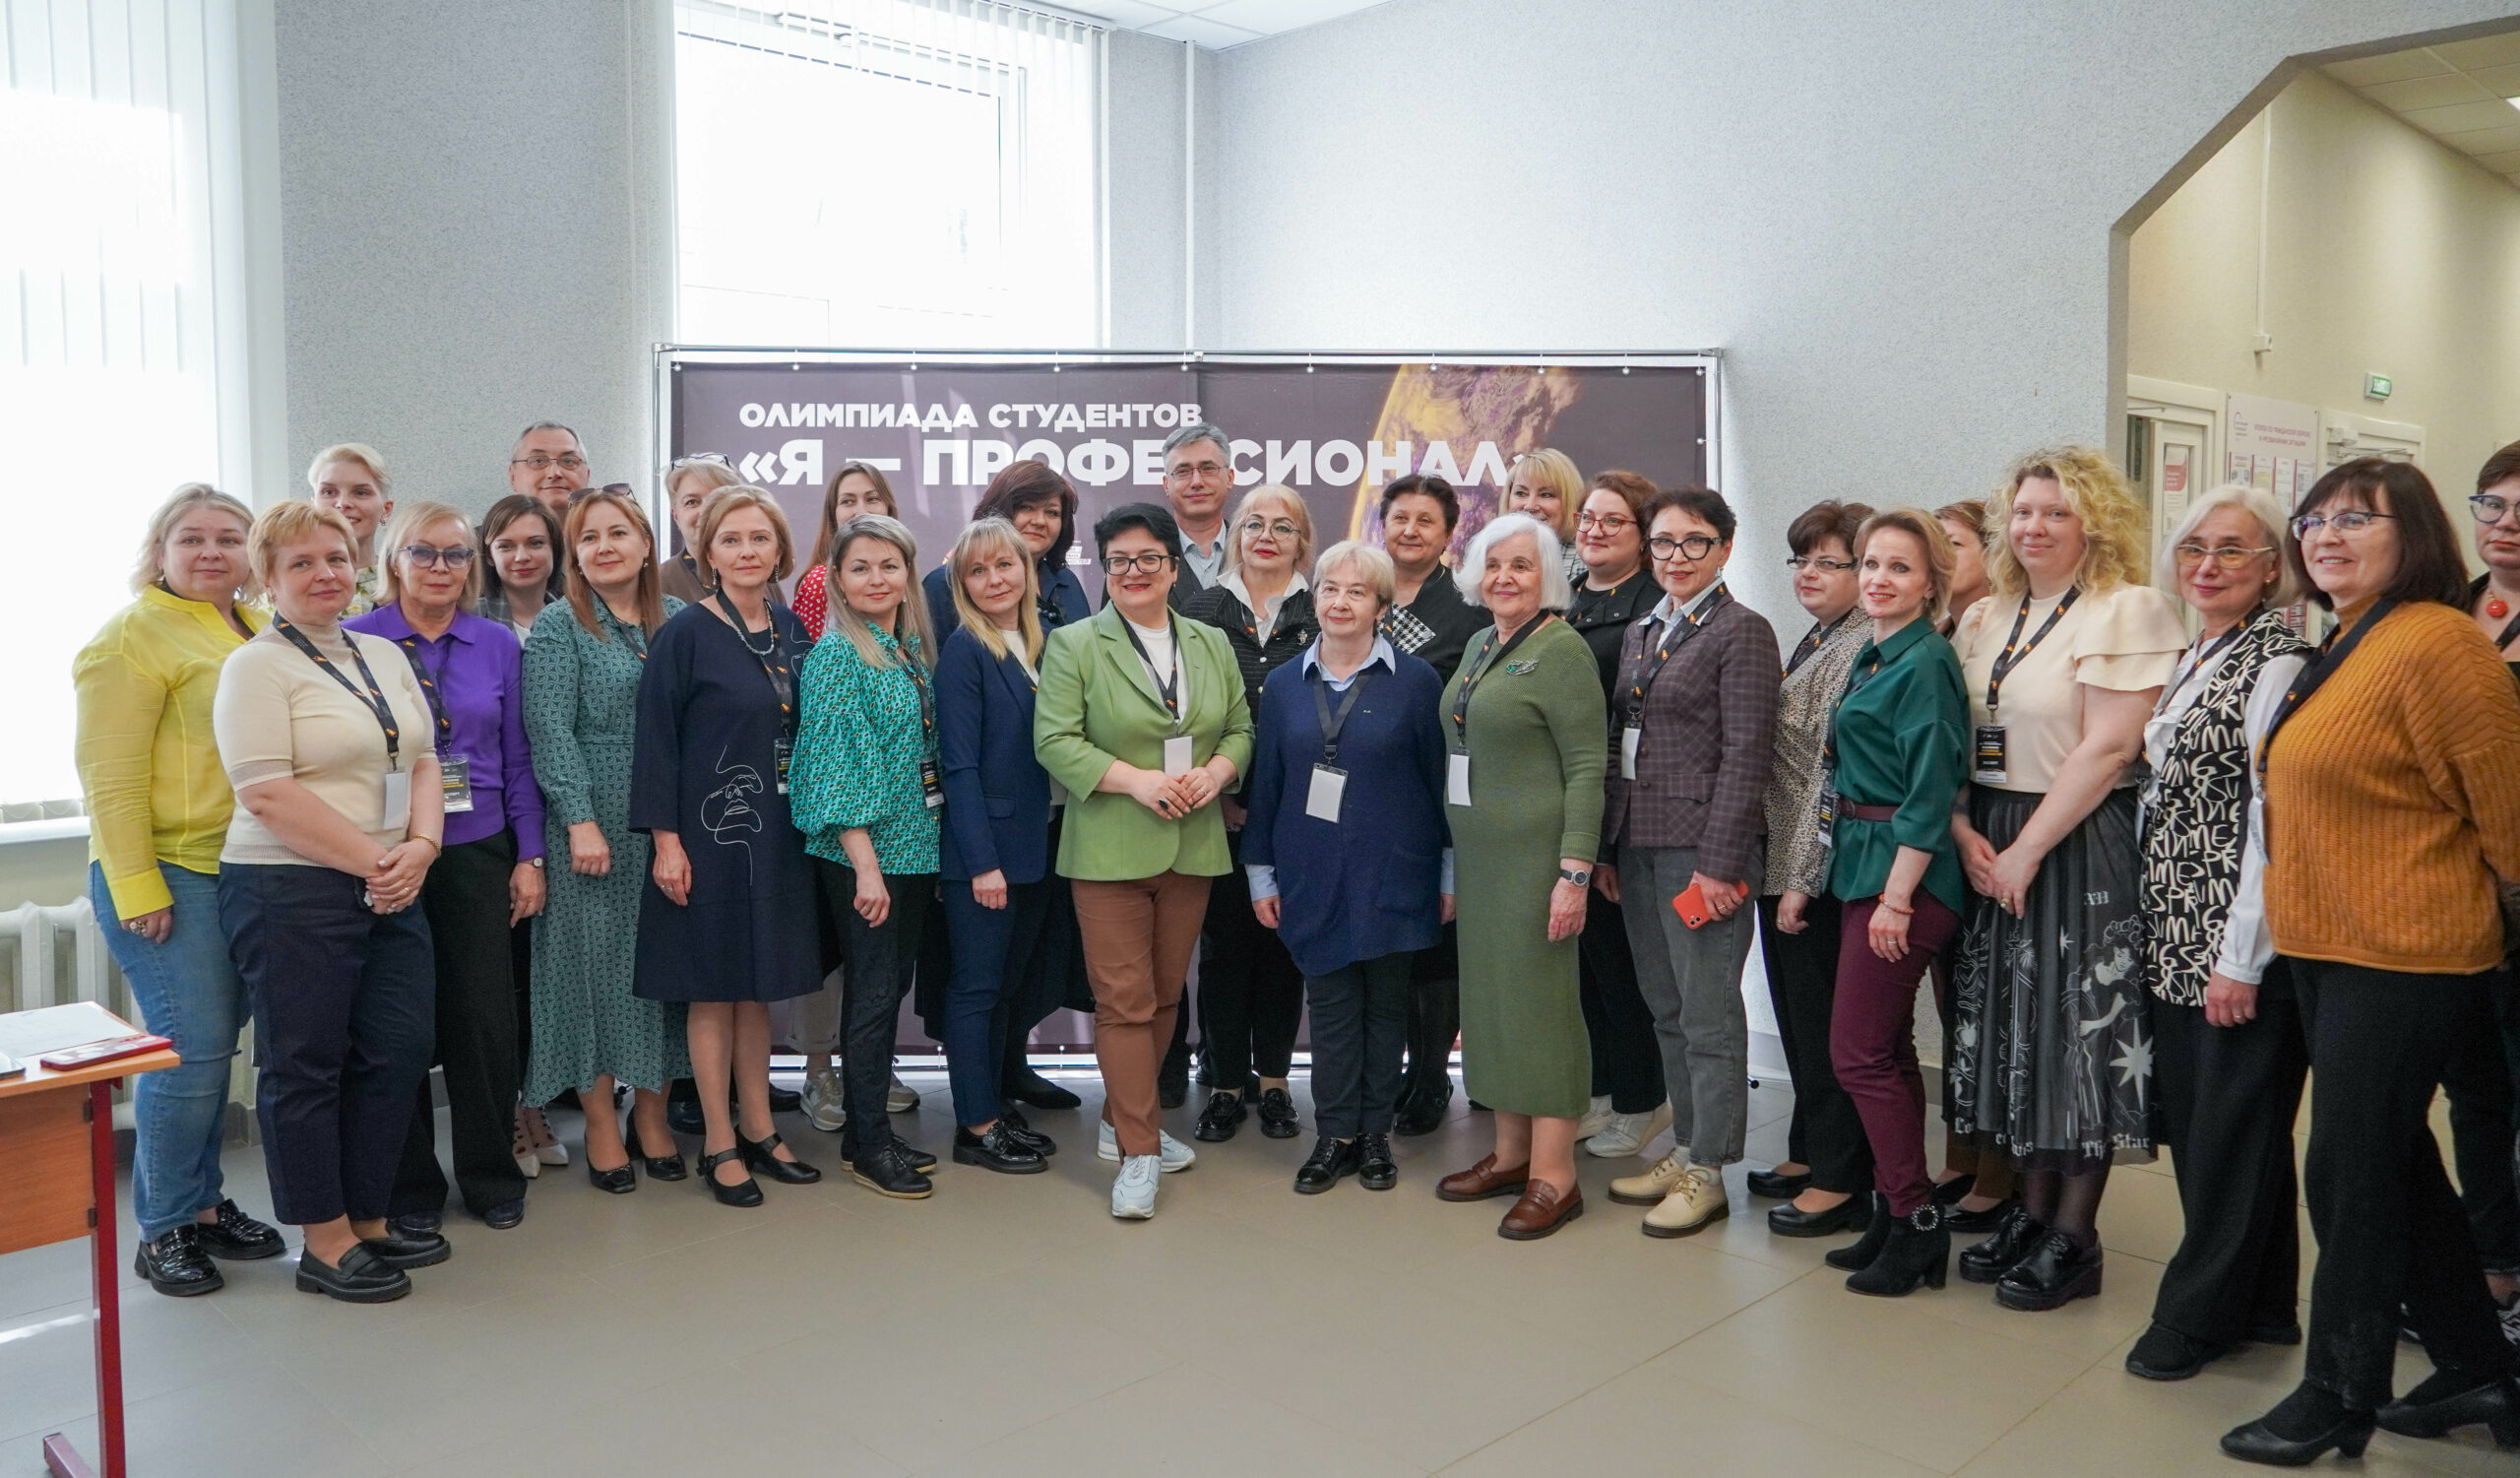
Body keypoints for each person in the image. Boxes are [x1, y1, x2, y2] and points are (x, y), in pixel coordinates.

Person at [2222, 458, 2520, 1464]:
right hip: (2330, 945)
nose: (2325, 535)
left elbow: (2508, 815)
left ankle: (2337, 1392)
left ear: (2416, 534)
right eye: (2314, 520)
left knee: (2346, 1175)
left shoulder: (2439, 643)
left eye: (2356, 519)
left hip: (2408, 953)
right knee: (2393, 1163)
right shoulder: (2350, 637)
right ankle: (2478, 1367)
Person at [1945, 446, 2184, 1312]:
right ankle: (2033, 1213)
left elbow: (2110, 748)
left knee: (2077, 1037)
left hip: (2076, 838)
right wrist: (1964, 830)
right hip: (1992, 833)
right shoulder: (1986, 614)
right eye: (2023, 511)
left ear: (2095, 522)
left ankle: (2076, 1237)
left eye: (2057, 512)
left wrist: (2028, 849)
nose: (2035, 527)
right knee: (2019, 1032)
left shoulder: (2129, 609)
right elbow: (1956, 736)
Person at [212, 500, 445, 1303]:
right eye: (301, 563)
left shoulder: (382, 652)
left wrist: (423, 845)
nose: (324, 574)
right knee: (305, 1063)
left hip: (391, 876)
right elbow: (265, 792)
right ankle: (324, 1238)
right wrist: (382, 862)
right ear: (267, 578)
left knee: (399, 1048)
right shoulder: (255, 666)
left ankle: (369, 1215)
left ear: (359, 566)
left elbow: (424, 760)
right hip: (289, 887)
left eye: (336, 558)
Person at [2117, 485, 2310, 1378]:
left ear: (2273, 567)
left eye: (2233, 549)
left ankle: (2194, 1316)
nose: (2208, 564)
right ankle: (2263, 1304)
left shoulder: (2279, 660)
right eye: (2195, 546)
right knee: (2215, 1126)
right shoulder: (2201, 647)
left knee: (2228, 1132)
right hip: (2175, 927)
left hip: (2232, 940)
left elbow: (2272, 823)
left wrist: (2241, 960)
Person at [76, 485, 287, 1296]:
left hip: (246, 867)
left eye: (229, 538)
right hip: (167, 870)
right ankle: (162, 1225)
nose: (211, 552)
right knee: (190, 1049)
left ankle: (202, 1204)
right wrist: (138, 886)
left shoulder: (258, 626)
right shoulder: (131, 635)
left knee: (214, 1048)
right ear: (159, 551)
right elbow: (110, 776)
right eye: (191, 538)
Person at [1034, 502, 1253, 1219]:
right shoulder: (1074, 644)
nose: (1134, 571)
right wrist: (1138, 781)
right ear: (1104, 568)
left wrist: (1215, 774)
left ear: (1172, 566)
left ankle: (1120, 1122)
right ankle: (1139, 1150)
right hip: (1108, 849)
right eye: (1119, 560)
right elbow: (1055, 741)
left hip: (1193, 843)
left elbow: (1241, 729)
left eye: (1149, 558)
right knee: (1124, 1001)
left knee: (1162, 997)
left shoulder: (1210, 641)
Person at [347, 502, 548, 1234]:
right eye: (423, 552)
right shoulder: (356, 639)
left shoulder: (495, 643)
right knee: (397, 1023)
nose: (440, 567)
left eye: (456, 554)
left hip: (478, 848)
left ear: (472, 566)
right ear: (394, 560)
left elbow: (520, 760)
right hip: (387, 849)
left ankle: (491, 1176)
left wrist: (530, 855)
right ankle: (408, 1189)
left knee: (484, 1020)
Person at [631, 486, 824, 1207]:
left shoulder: (790, 628)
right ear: (708, 552)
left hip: (777, 835)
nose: (747, 551)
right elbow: (656, 745)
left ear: (780, 549)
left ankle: (760, 1127)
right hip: (705, 838)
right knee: (714, 990)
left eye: (760, 538)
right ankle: (718, 1141)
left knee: (757, 988)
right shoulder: (683, 634)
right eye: (731, 539)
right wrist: (666, 844)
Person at [1597, 487, 1781, 1239]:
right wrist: (1609, 846)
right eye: (1664, 542)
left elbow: (1747, 754)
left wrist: (1721, 863)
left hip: (1702, 854)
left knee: (1708, 1013)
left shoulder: (1743, 631)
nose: (1677, 556)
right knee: (1665, 1006)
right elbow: (1623, 740)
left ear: (1725, 548)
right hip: (1639, 844)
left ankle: (1710, 1167)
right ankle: (1685, 1145)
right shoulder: (1645, 628)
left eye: (1695, 541)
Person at [1242, 541, 1451, 1192]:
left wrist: (1448, 873)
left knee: (1387, 1009)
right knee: (1331, 1007)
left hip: (1397, 871)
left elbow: (1439, 782)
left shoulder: (1417, 682)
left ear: (1381, 607)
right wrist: (1260, 872)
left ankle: (1375, 1135)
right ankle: (1334, 1135)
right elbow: (1268, 784)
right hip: (1310, 872)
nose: (1340, 601)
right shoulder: (1284, 684)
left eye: (1357, 591)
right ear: (1315, 599)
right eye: (1330, 588)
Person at [1432, 513, 1605, 1241]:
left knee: (1542, 1010)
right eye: (1495, 564)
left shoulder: (1562, 650)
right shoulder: (1481, 643)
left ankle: (1555, 1175)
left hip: (1539, 864)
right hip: (1482, 862)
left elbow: (1588, 766)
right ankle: (1510, 1154)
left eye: (1522, 565)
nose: (1505, 577)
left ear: (1549, 576)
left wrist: (1574, 872)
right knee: (1493, 1005)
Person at [1815, 510, 1972, 1297]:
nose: (1879, 578)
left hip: (1904, 877)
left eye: (1899, 567)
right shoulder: (1876, 653)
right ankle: (1897, 1210)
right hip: (1864, 865)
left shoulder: (1926, 663)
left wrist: (1899, 898)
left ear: (1931, 581)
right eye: (1870, 563)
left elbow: (1931, 789)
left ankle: (1915, 1219)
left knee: (1856, 1052)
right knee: (1888, 1049)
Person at [521, 488, 691, 1194]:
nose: (604, 546)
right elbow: (549, 728)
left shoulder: (678, 618)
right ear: (575, 554)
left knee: (664, 968)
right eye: (588, 537)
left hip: (671, 819)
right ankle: (598, 1122)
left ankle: (651, 1113)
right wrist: (579, 819)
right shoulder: (561, 623)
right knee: (590, 973)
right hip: (592, 820)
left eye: (618, 532)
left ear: (647, 544)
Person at [790, 513, 944, 1200]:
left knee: (887, 991)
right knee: (874, 996)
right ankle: (867, 1143)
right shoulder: (836, 656)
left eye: (889, 565)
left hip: (911, 849)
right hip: (866, 856)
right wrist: (866, 867)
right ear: (838, 581)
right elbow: (835, 768)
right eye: (861, 567)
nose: (876, 578)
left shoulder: (904, 649)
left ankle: (869, 1130)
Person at [1749, 499, 1876, 1238]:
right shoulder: (1820, 635)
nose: (1809, 573)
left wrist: (1799, 878)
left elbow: (1828, 775)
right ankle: (1808, 1149)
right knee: (1798, 1019)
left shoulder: (1860, 645)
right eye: (1802, 559)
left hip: (1816, 867)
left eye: (1829, 562)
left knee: (1826, 1024)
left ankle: (1840, 1177)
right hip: (1783, 856)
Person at [1181, 484, 1319, 1142]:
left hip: (1298, 818)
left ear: (1302, 541)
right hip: (1218, 811)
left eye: (1283, 527)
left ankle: (1276, 1083)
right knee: (1224, 949)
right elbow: (1180, 710)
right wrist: (1220, 793)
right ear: (1236, 535)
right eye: (1254, 523)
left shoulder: (1323, 611)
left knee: (1282, 949)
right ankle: (1226, 1084)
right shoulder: (1200, 610)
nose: (1266, 536)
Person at [932, 519, 1066, 1175]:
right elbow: (958, 766)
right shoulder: (966, 650)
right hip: (985, 855)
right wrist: (982, 863)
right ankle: (975, 1126)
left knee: (1007, 986)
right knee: (977, 988)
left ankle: (992, 1105)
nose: (994, 580)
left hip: (1037, 844)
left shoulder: (1044, 644)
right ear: (962, 584)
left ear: (1027, 569)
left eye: (1004, 565)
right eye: (978, 571)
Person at [1374, 472, 1488, 1135]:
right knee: (1389, 940)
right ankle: (1391, 1070)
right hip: (1372, 797)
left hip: (1444, 794)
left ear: (1449, 534)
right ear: (1382, 526)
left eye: (1426, 520)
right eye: (1400, 517)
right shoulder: (1360, 593)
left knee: (1439, 945)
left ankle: (1430, 1076)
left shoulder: (1470, 609)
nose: (1411, 530)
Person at [1563, 471, 1669, 1157]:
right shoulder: (1568, 597)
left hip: (1625, 808)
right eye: (1587, 518)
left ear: (1643, 535)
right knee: (1586, 963)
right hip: (1571, 805)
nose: (1594, 530)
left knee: (1626, 967)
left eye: (1612, 521)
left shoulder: (1654, 607)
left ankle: (1642, 1100)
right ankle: (1601, 1090)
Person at [1927, 495, 2013, 1227]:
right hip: (1942, 833)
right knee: (1953, 1001)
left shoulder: (2007, 629)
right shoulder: (1940, 632)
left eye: (1953, 543)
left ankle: (1999, 1170)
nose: (1941, 556)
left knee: (1993, 1008)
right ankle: (1962, 1153)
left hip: (1995, 828)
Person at [2451, 438, 2520, 1331]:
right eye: (2493, 505)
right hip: (2454, 895)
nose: (2507, 525)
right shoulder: (2447, 610)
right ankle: (2492, 1264)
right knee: (2475, 1092)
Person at [924, 458, 1094, 645]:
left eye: (1052, 512)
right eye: (1026, 507)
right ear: (997, 510)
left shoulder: (1066, 581)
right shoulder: (945, 583)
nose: (1039, 521)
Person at [794, 462, 900, 637]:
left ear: (888, 508)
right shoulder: (820, 583)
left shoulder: (902, 573)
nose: (861, 512)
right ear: (833, 513)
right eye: (848, 501)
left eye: (872, 499)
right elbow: (805, 652)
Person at [305, 444, 392, 615]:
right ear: (312, 505)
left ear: (386, 509)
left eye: (361, 492)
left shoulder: (407, 586)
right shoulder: (287, 589)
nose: (342, 503)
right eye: (329, 492)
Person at [1162, 422, 1235, 603]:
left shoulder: (1254, 550)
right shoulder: (1143, 557)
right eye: (1182, 471)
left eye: (1208, 469)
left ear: (1229, 478)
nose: (1196, 482)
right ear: (1166, 484)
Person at [658, 454, 743, 605]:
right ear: (676, 515)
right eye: (692, 502)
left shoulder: (758, 572)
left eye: (717, 499)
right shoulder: (656, 584)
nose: (705, 511)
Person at [478, 494, 565, 642]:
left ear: (554, 549)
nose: (521, 557)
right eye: (506, 546)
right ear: (490, 556)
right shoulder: (468, 618)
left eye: (536, 543)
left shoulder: (582, 620)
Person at [1505, 448, 1587, 586]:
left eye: (1546, 495)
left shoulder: (1586, 563)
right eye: (1521, 493)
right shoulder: (1487, 555)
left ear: (1570, 501)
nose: (1530, 506)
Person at [509, 421, 593, 522]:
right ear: (513, 477)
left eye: (568, 461)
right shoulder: (493, 532)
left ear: (587, 476)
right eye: (538, 461)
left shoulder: (606, 530)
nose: (554, 473)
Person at [1937, 500, 1993, 635]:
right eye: (1932, 546)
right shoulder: (1934, 637)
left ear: (1993, 555)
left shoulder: (2015, 633)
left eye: (1953, 544)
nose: (1936, 555)